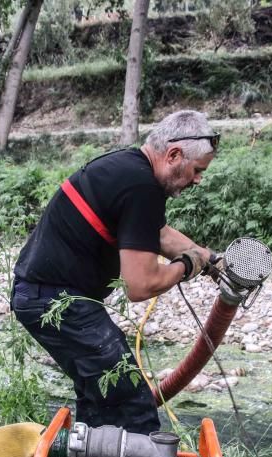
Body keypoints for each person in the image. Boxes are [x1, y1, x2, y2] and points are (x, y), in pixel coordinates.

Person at [11, 110, 220, 435]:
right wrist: (187, 266)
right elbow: (140, 285)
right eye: (197, 170)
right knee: (132, 405)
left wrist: (209, 260)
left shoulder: (128, 167)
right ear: (174, 155)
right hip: (56, 301)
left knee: (103, 399)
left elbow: (160, 234)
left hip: (46, 295)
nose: (198, 180)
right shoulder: (141, 187)